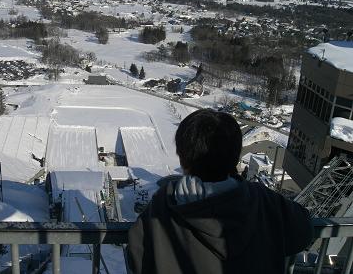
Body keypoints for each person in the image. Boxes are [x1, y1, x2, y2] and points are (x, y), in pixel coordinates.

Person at [127, 109, 312, 274]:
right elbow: (304, 232)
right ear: (235, 156)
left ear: (183, 160)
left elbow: (136, 257)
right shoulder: (264, 201)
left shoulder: (164, 205)